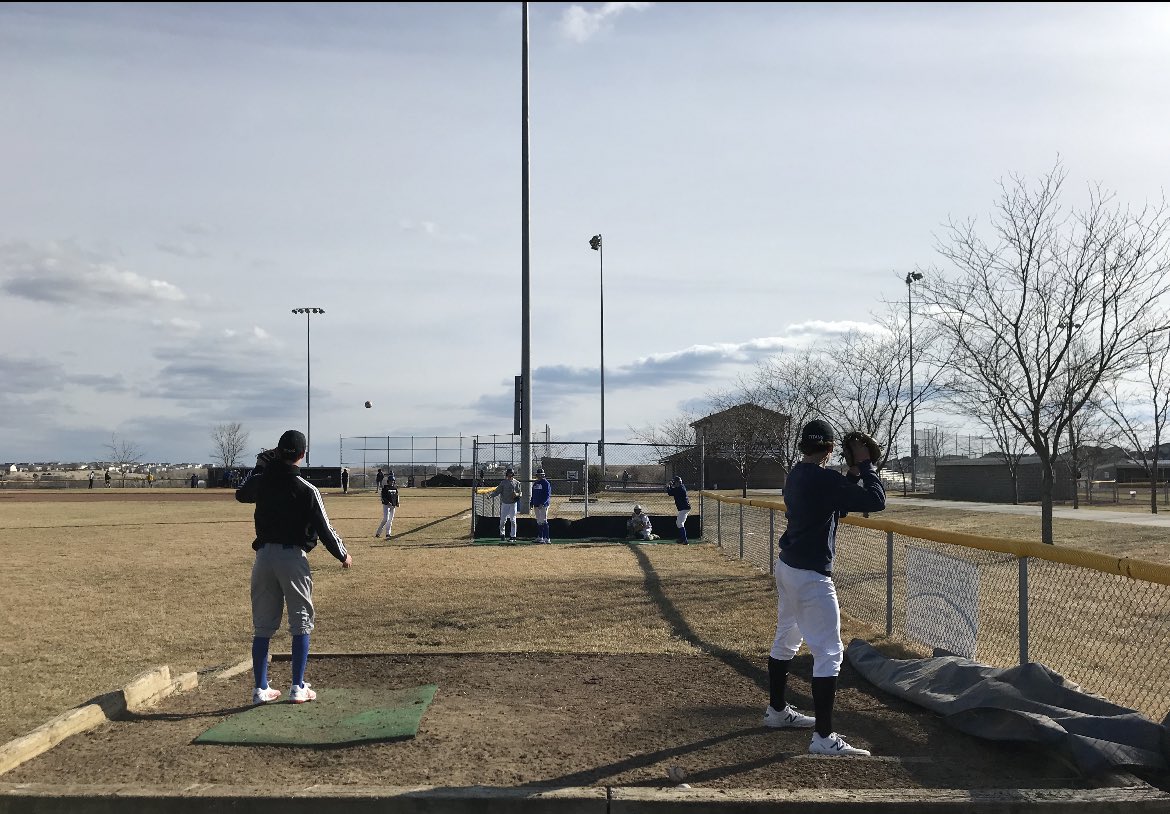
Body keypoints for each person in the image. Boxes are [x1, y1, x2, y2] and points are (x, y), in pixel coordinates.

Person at [765, 420, 885, 756]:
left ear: (804, 446)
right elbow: (876, 501)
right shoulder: (823, 478)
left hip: (788, 566)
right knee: (830, 652)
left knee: (787, 638)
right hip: (810, 575)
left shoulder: (798, 475)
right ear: (830, 449)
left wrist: (850, 474)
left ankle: (776, 711)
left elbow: (838, 505)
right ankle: (824, 737)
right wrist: (864, 464)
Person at [236, 429, 351, 705]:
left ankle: (261, 688)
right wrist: (343, 554)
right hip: (293, 558)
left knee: (263, 626)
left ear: (277, 452)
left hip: (263, 558)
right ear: (303, 454)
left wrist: (260, 467)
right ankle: (298, 686)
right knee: (300, 622)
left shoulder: (262, 481)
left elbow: (242, 494)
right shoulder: (306, 488)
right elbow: (324, 528)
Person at [493, 467, 521, 541]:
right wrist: (491, 495)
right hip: (505, 503)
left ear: (513, 474)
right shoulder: (503, 483)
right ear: (507, 474)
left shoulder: (517, 483)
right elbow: (497, 491)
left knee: (513, 520)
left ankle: (513, 536)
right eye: (509, 473)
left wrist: (517, 494)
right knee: (503, 520)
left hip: (513, 503)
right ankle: (502, 534)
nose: (510, 475)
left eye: (511, 473)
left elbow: (520, 493)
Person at [666, 475, 691, 544]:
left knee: (680, 523)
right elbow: (672, 490)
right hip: (683, 508)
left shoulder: (680, 489)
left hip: (684, 509)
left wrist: (668, 486)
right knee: (678, 523)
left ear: (678, 482)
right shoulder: (680, 487)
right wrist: (670, 486)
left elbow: (670, 493)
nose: (674, 483)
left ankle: (685, 540)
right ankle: (682, 538)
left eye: (675, 482)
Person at [374, 473, 400, 539]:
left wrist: (397, 502)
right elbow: (382, 497)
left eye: (393, 481)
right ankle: (378, 532)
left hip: (393, 506)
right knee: (386, 519)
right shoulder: (385, 488)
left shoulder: (395, 488)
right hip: (386, 506)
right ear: (388, 481)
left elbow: (397, 496)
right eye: (391, 481)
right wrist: (387, 502)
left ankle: (388, 533)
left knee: (390, 520)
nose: (392, 482)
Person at [531, 467, 552, 543]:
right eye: (538, 475)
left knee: (544, 520)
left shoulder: (546, 483)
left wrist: (542, 503)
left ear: (543, 475)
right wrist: (531, 503)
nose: (539, 476)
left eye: (541, 475)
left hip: (543, 505)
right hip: (536, 504)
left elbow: (547, 495)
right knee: (539, 521)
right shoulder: (536, 483)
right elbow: (533, 494)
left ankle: (547, 538)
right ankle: (540, 537)